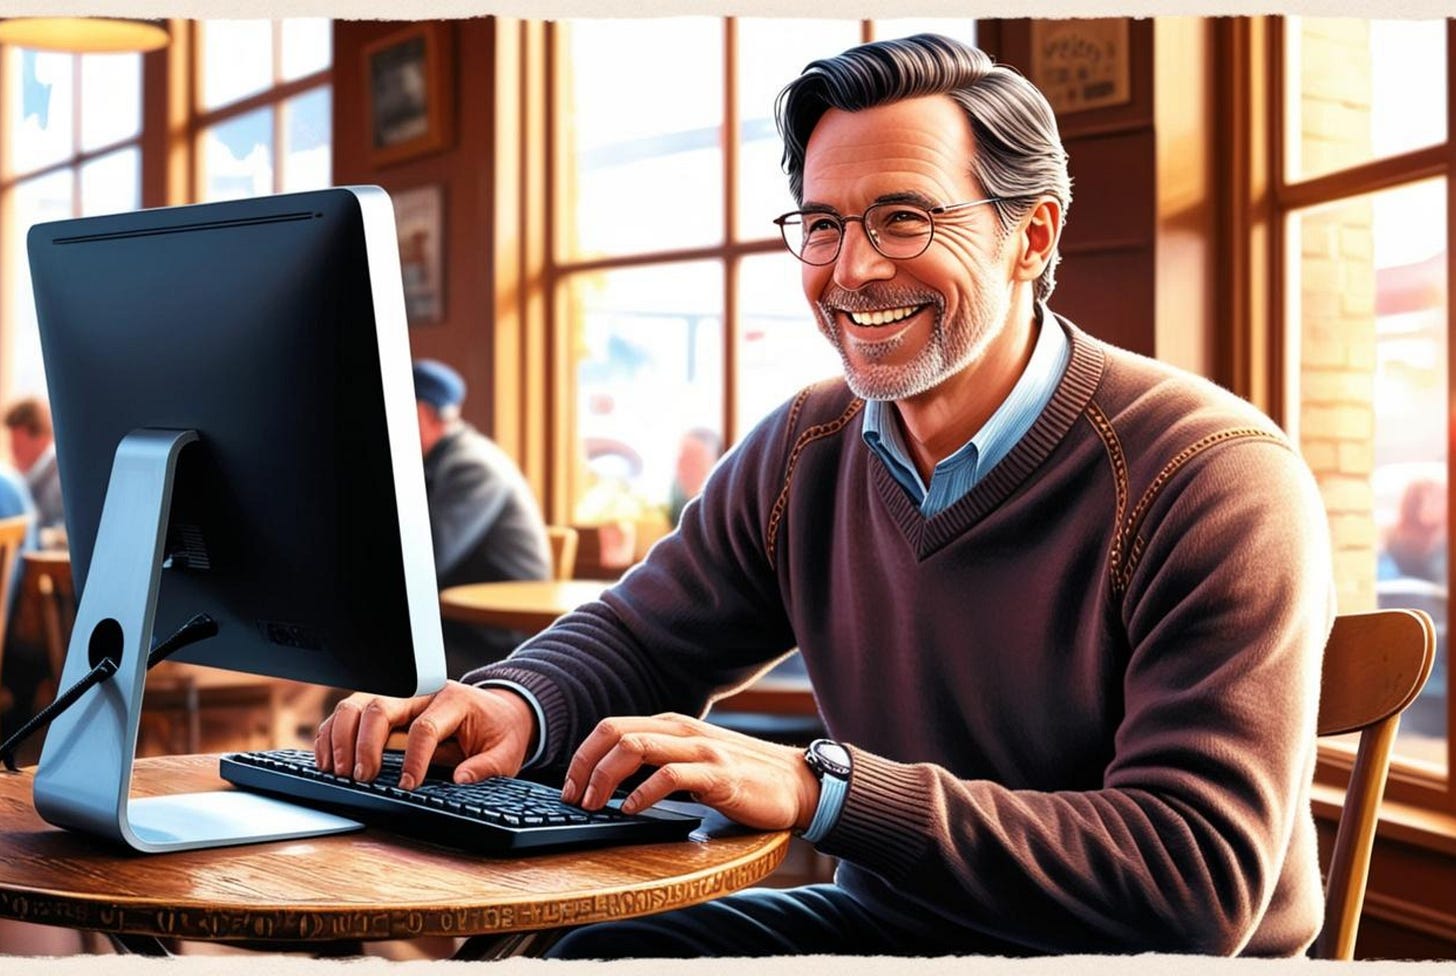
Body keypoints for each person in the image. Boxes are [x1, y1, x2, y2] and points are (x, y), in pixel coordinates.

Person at [319, 35, 1334, 958]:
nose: (852, 269)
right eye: (821, 222)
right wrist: (513, 702)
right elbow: (643, 638)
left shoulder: (1211, 474)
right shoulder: (808, 442)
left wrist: (820, 788)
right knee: (577, 951)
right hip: (894, 924)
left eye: (904, 217)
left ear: (1032, 237)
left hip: (1136, 955)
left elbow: (1198, 876)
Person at [412, 360, 552, 677]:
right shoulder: (443, 461)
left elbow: (428, 559)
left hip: (496, 639)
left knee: (365, 675)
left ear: (422, 413)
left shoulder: (472, 465)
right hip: (459, 625)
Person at [2, 397, 62, 542]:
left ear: (41, 437)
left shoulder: (58, 480)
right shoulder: (28, 476)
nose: (12, 450)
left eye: (18, 447)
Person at [666, 427, 723, 527]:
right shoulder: (675, 495)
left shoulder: (719, 510)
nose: (685, 468)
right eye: (682, 459)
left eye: (694, 462)